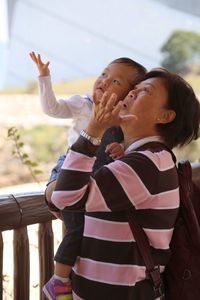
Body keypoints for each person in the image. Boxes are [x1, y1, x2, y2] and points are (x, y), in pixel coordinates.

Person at [50, 68, 200, 300]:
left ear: (165, 116)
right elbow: (65, 197)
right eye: (133, 89)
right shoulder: (137, 159)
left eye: (144, 92)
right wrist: (56, 191)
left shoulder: (147, 164)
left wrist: (94, 128)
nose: (130, 94)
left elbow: (64, 197)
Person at [29, 51, 147, 299]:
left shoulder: (124, 119)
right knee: (78, 227)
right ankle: (59, 280)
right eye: (104, 73)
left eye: (116, 81)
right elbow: (52, 108)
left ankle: (73, 275)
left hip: (95, 177)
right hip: (70, 167)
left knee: (89, 228)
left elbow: (123, 146)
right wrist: (44, 77)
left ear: (129, 94)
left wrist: (121, 149)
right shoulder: (84, 104)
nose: (104, 81)